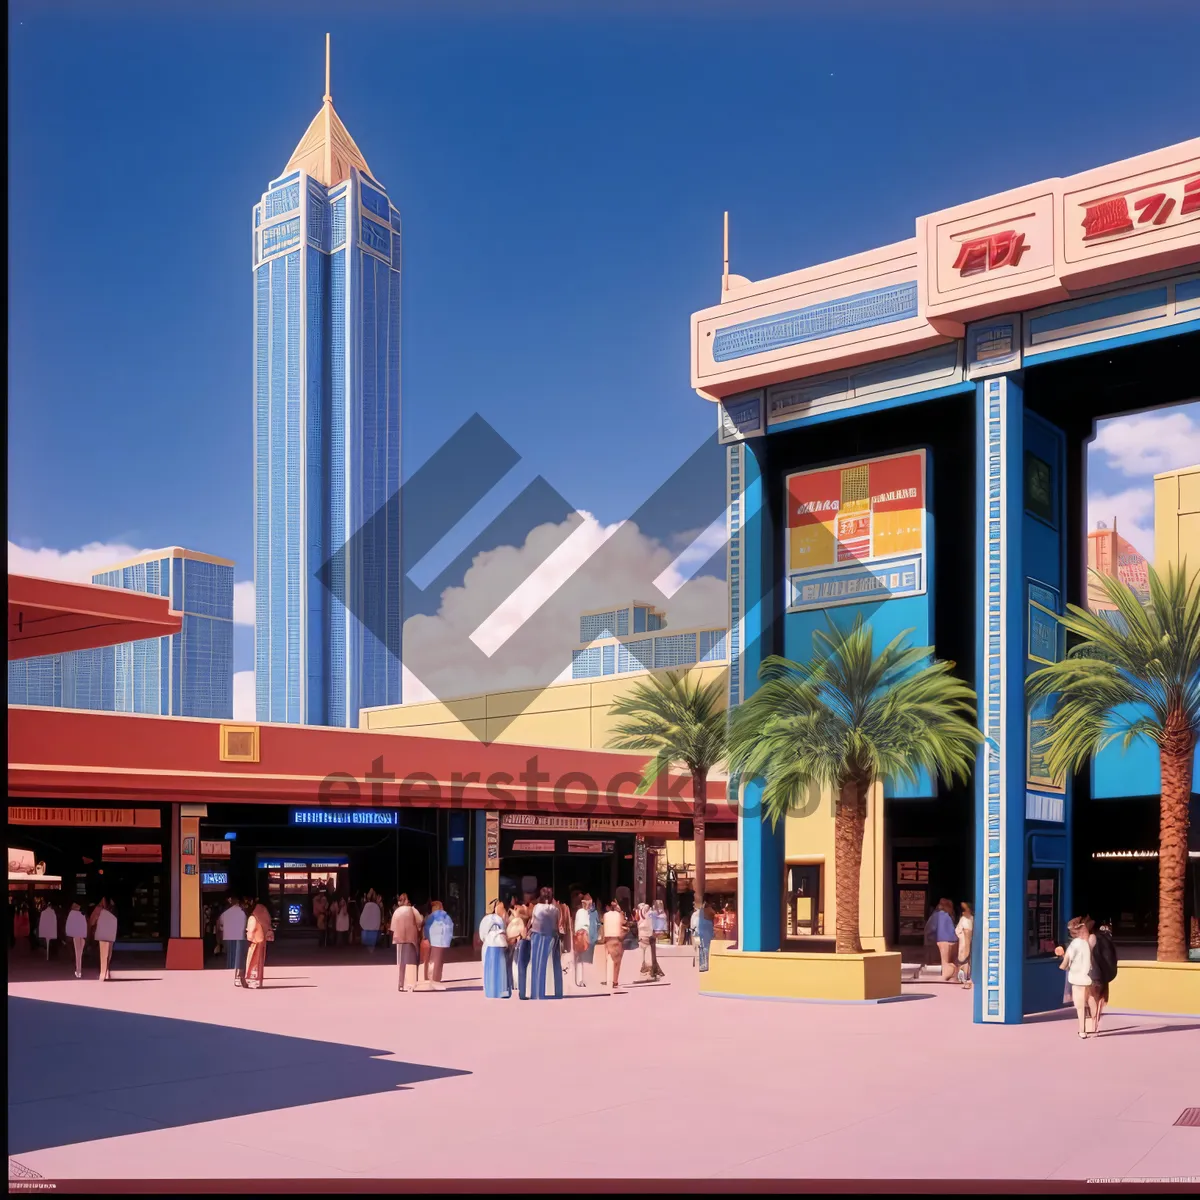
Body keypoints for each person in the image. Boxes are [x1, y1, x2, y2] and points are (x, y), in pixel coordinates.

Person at [1055, 917, 1094, 1039]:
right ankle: (1090, 1026)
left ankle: (1082, 1030)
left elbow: (1065, 963)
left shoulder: (1074, 944)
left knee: (1079, 1006)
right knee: (1086, 1002)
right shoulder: (1086, 944)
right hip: (1087, 977)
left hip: (1076, 978)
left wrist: (1061, 958)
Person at [528, 888, 563, 1000]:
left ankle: (538, 991)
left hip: (538, 936)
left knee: (538, 963)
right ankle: (557, 991)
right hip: (552, 937)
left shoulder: (537, 907)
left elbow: (533, 921)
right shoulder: (555, 909)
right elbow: (557, 923)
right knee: (555, 964)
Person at [1088, 917, 1119, 1037]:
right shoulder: (1108, 940)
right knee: (1100, 998)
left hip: (1093, 973)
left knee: (1092, 998)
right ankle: (1095, 1025)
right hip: (1104, 974)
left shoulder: (1091, 939)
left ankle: (1092, 1025)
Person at [390, 893, 423, 992]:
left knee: (402, 963)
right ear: (406, 900)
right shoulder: (412, 910)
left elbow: (392, 927)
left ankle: (400, 984)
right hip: (410, 938)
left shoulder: (396, 912)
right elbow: (420, 921)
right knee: (411, 962)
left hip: (399, 939)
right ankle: (411, 984)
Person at [479, 900, 511, 999]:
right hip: (500, 943)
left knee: (488, 966)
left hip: (489, 944)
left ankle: (490, 989)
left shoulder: (485, 919)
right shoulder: (499, 919)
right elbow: (504, 931)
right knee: (501, 966)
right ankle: (501, 989)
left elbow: (482, 934)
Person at [219, 894, 248, 986]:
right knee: (240, 957)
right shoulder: (243, 912)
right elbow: (245, 925)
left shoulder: (226, 912)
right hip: (240, 937)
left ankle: (233, 977)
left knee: (231, 957)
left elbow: (221, 925)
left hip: (230, 937)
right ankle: (239, 977)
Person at [424, 900, 454, 988]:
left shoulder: (432, 917)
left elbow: (427, 929)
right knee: (440, 960)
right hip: (444, 942)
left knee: (433, 960)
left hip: (434, 941)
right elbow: (450, 928)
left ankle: (433, 978)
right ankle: (438, 978)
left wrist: (427, 938)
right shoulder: (447, 917)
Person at [244, 899, 272, 989]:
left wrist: (248, 936)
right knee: (260, 961)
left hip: (254, 941)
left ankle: (252, 980)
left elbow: (251, 930)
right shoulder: (265, 917)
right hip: (262, 940)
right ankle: (259, 980)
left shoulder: (254, 917)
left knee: (252, 960)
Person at [602, 899, 627, 990]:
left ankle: (608, 979)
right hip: (617, 938)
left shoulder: (605, 915)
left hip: (608, 938)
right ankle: (615, 980)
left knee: (609, 959)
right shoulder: (619, 915)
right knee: (617, 961)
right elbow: (624, 923)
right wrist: (620, 911)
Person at [508, 903, 531, 999]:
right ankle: (518, 986)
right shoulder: (519, 922)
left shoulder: (515, 921)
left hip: (517, 944)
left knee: (516, 964)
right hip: (520, 943)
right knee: (519, 965)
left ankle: (516, 984)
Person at [933, 898, 958, 982]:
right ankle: (953, 973)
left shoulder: (937, 914)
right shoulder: (950, 915)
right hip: (953, 939)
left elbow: (931, 926)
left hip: (942, 939)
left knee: (944, 960)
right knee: (952, 959)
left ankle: (947, 973)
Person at [93, 898, 117, 981]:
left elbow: (93, 920)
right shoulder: (113, 909)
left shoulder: (99, 909)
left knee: (103, 954)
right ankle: (106, 971)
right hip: (111, 931)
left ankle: (103, 973)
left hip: (103, 931)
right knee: (109, 953)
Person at [572, 894, 594, 987]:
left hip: (583, 935)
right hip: (582, 935)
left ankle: (581, 980)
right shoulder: (582, 912)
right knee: (581, 959)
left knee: (582, 959)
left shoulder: (585, 912)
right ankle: (579, 980)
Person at [65, 901, 88, 978]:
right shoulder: (82, 914)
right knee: (79, 954)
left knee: (77, 953)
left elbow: (68, 925)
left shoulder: (72, 914)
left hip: (76, 935)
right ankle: (79, 970)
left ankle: (78, 970)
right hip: (82, 936)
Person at [955, 902, 974, 988]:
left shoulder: (967, 919)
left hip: (964, 944)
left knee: (964, 961)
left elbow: (967, 932)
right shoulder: (966, 918)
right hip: (962, 944)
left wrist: (967, 949)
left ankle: (965, 980)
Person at [695, 897, 715, 972]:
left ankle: (702, 964)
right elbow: (714, 916)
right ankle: (705, 964)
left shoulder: (700, 911)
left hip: (699, 932)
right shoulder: (709, 910)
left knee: (701, 948)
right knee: (706, 948)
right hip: (705, 932)